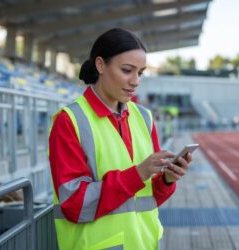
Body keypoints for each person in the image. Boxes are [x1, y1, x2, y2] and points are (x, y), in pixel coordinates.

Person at [48, 28, 193, 249]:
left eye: (141, 72)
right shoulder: (69, 121)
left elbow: (148, 198)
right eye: (127, 70)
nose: (135, 81)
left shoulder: (144, 117)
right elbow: (74, 204)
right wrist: (139, 173)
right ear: (100, 65)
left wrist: (167, 179)